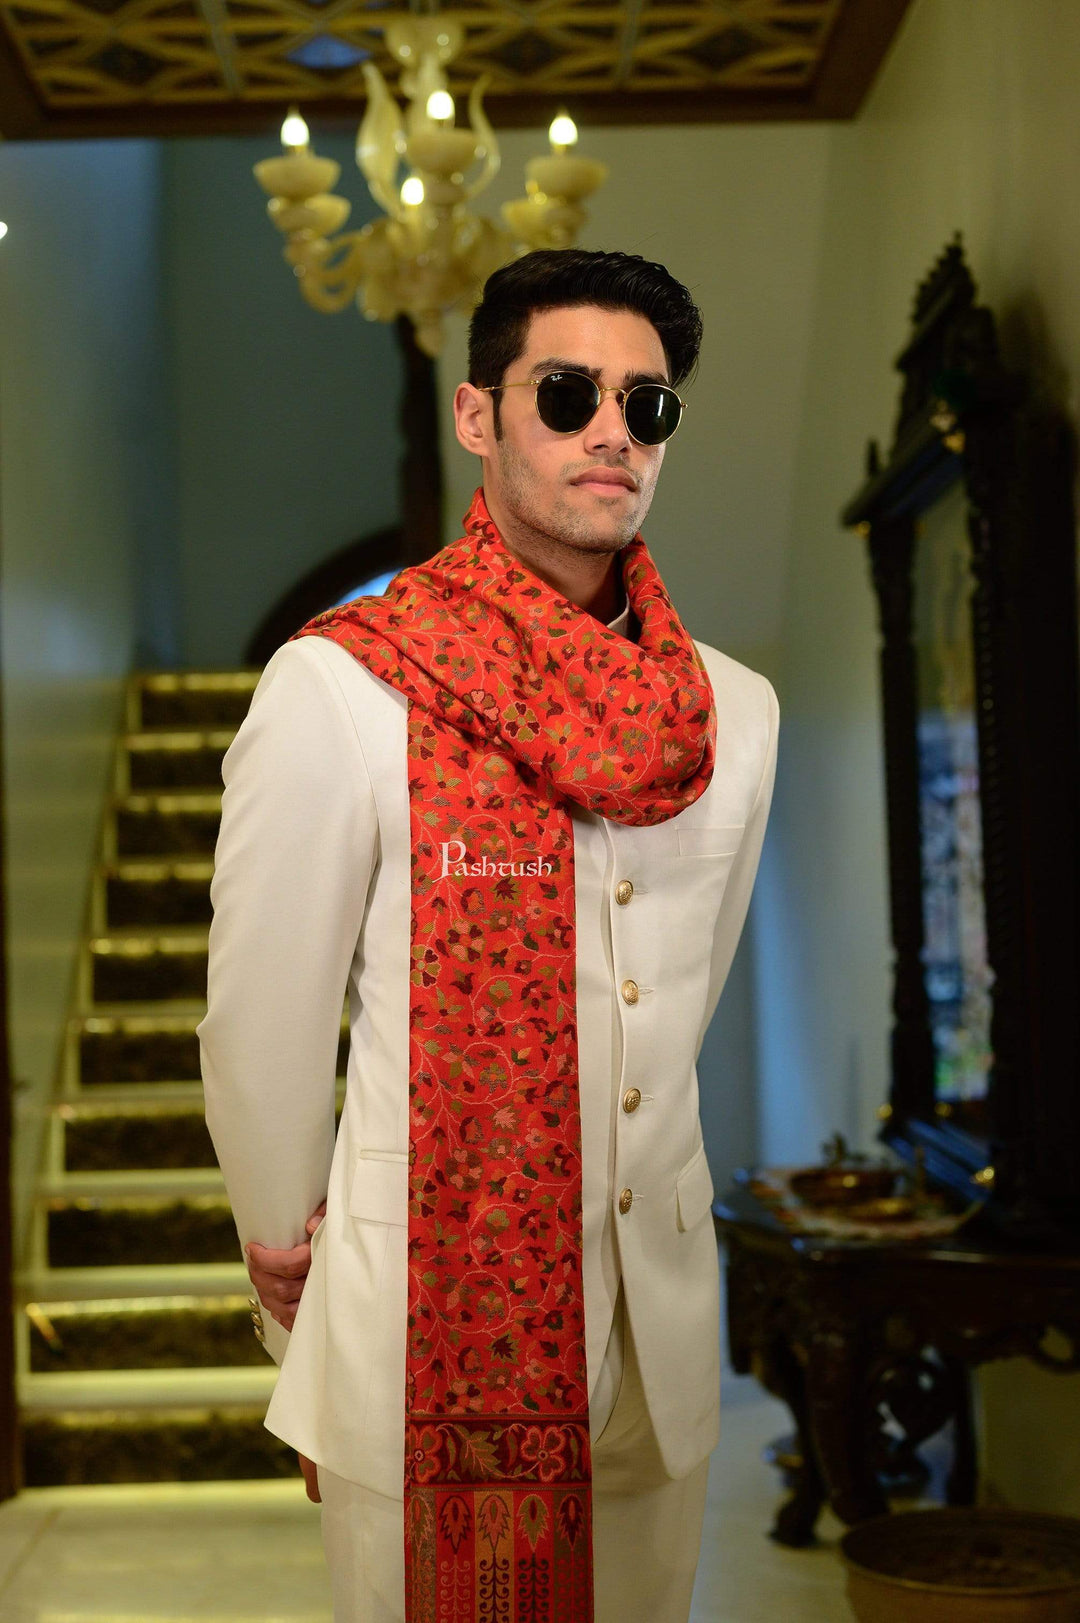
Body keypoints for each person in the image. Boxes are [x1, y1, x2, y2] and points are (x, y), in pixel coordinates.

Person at [199, 247, 778, 1623]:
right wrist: (282, 1243)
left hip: (656, 1324)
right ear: (478, 416)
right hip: (425, 1320)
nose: (611, 432)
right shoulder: (343, 686)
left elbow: (684, 999)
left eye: (647, 405)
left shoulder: (734, 715)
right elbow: (265, 1016)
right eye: (568, 393)